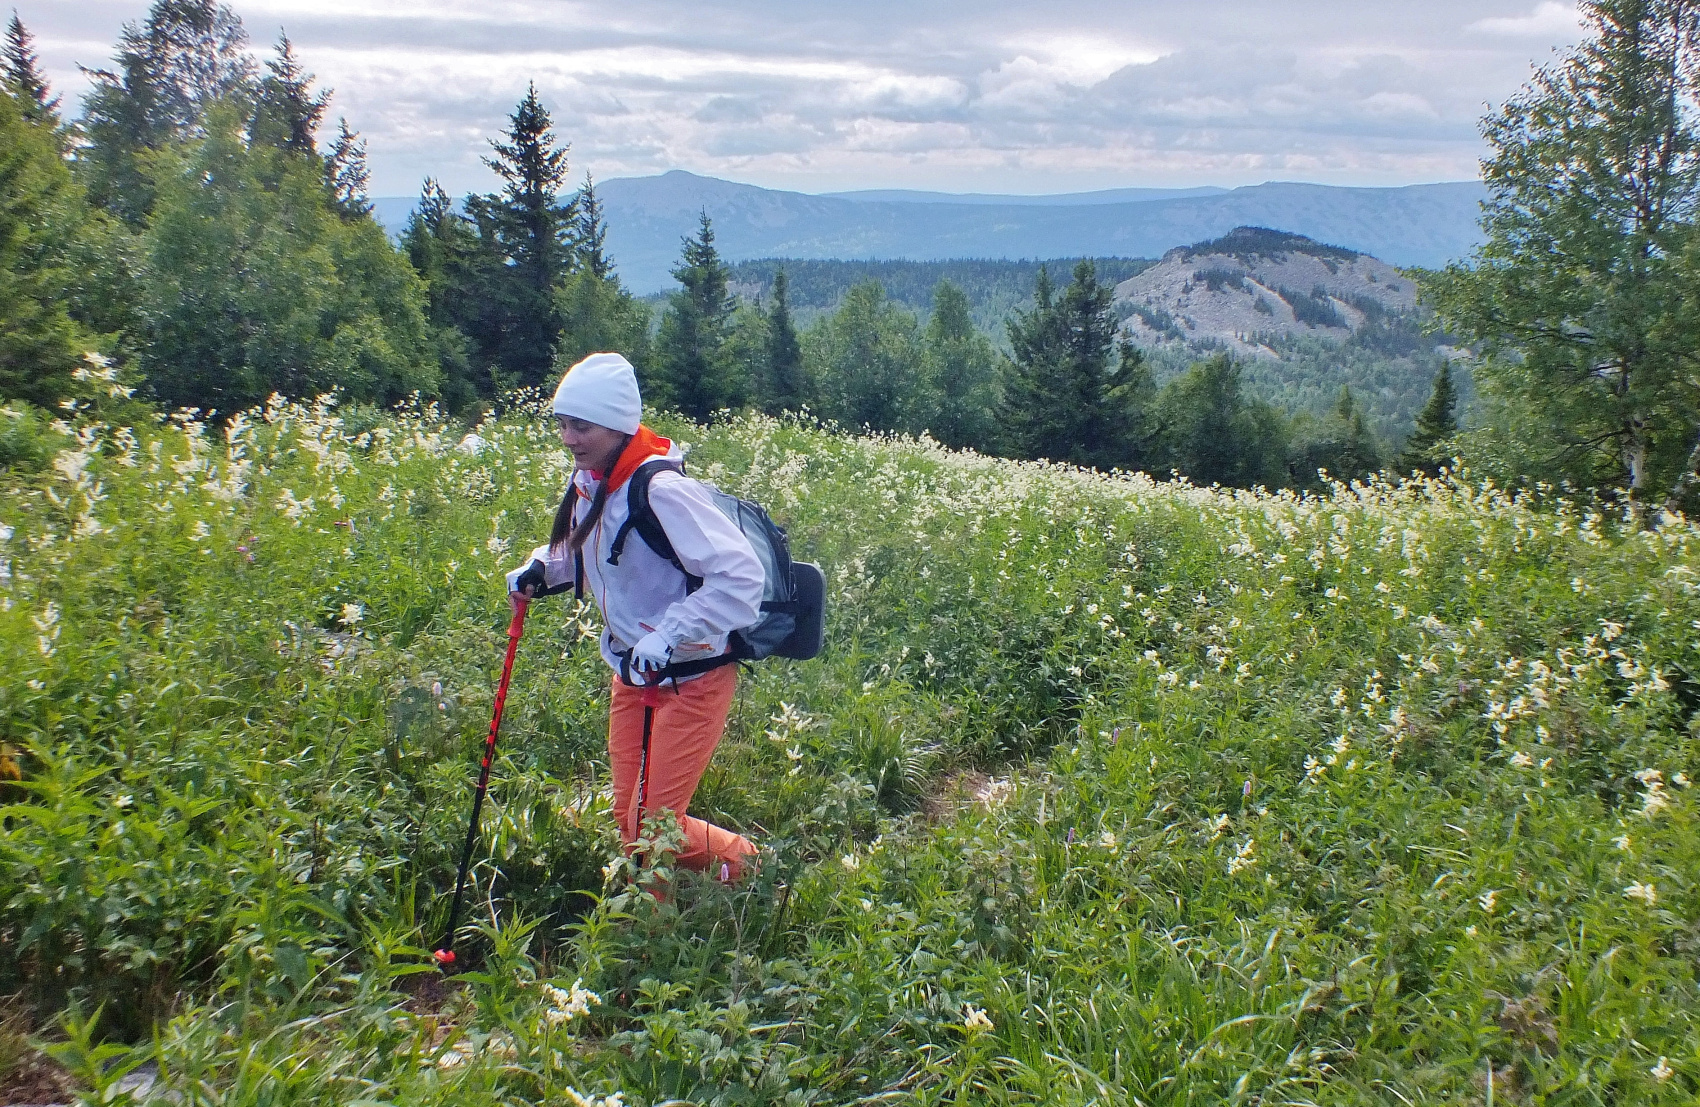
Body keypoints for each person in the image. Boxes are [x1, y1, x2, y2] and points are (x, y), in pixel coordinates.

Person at [507, 352, 764, 881]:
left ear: (618, 426)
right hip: (632, 671)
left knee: (652, 833)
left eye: (581, 425)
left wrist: (669, 634)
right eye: (561, 424)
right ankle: (739, 866)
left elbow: (742, 578)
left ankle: (658, 941)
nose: (568, 438)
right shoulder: (595, 481)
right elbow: (590, 556)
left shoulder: (662, 490)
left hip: (694, 676)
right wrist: (542, 567)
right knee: (633, 826)